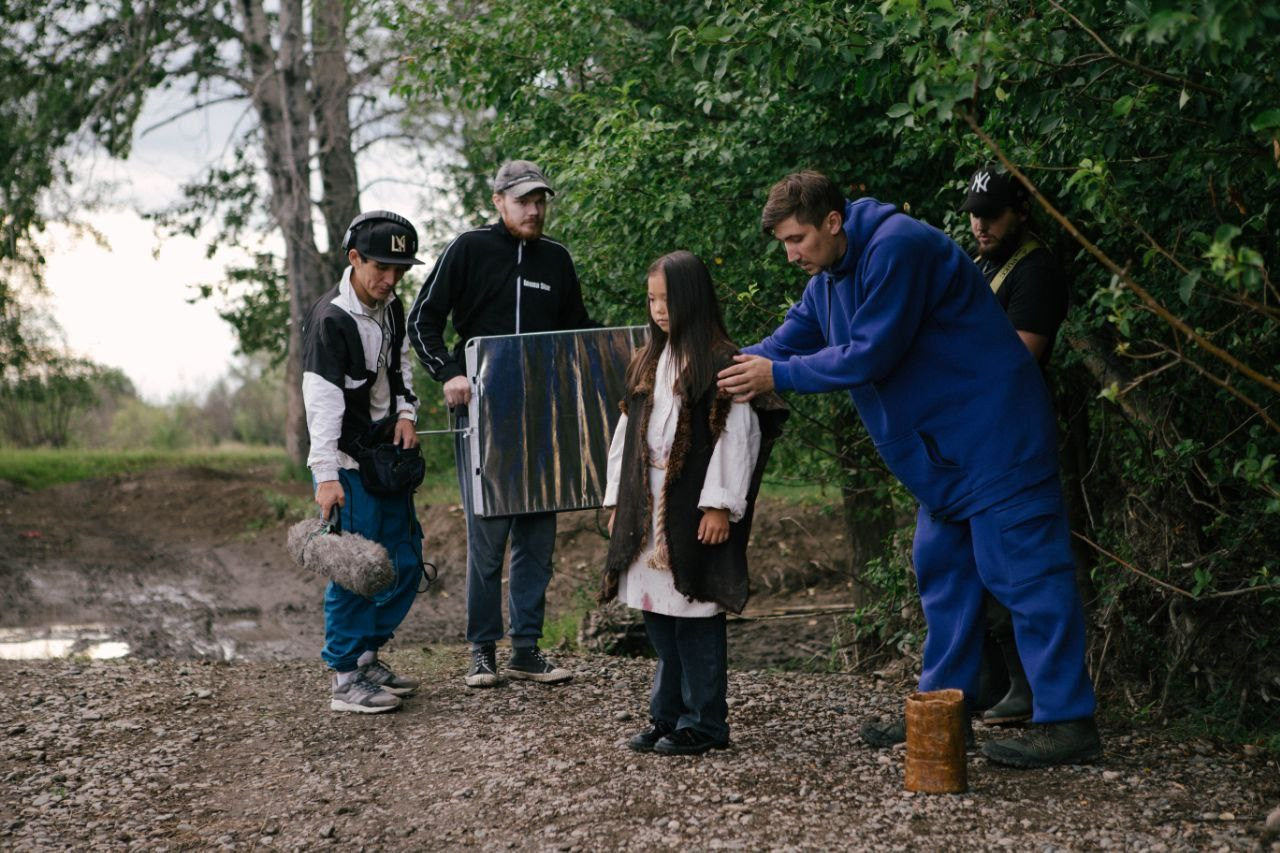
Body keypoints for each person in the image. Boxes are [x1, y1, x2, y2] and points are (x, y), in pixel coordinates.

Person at [717, 171, 1102, 768]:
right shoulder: (827, 279)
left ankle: (1068, 723)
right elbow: (783, 342)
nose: (791, 254)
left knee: (1027, 576)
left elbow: (873, 352)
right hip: (944, 460)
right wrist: (718, 368)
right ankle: (944, 710)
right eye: (784, 244)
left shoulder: (899, 247)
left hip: (996, 438)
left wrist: (777, 377)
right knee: (942, 575)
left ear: (833, 222)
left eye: (797, 239)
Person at [407, 159, 591, 688]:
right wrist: (449, 372)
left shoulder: (557, 259)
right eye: (523, 201)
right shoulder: (468, 248)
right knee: (488, 535)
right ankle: (482, 649)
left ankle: (527, 649)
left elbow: (578, 335)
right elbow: (424, 320)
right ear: (499, 201)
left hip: (544, 419)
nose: (534, 210)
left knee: (538, 535)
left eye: (540, 201)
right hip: (482, 416)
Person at [601, 251, 787, 756]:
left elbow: (737, 433)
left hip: (692, 504)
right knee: (658, 614)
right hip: (648, 502)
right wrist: (619, 496)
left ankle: (705, 723)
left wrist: (719, 505)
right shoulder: (649, 358)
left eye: (668, 299)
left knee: (696, 613)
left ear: (693, 298)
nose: (659, 309)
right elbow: (628, 429)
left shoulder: (721, 360)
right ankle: (667, 716)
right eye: (652, 299)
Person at [302, 209, 427, 714]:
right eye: (381, 268)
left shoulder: (390, 306)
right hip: (348, 464)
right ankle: (345, 677)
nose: (391, 279)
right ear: (354, 259)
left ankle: (368, 656)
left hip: (386, 457)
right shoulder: (331, 318)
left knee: (406, 562)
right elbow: (322, 403)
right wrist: (325, 476)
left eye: (400, 270)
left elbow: (399, 366)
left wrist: (406, 412)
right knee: (356, 570)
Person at [961, 166, 1071, 726]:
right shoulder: (983, 264)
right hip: (977, 437)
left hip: (1014, 437)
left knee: (1019, 571)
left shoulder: (1037, 270)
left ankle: (1037, 697)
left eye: (993, 214)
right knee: (975, 570)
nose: (981, 224)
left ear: (1020, 212)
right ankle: (992, 687)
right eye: (975, 213)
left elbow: (1021, 354)